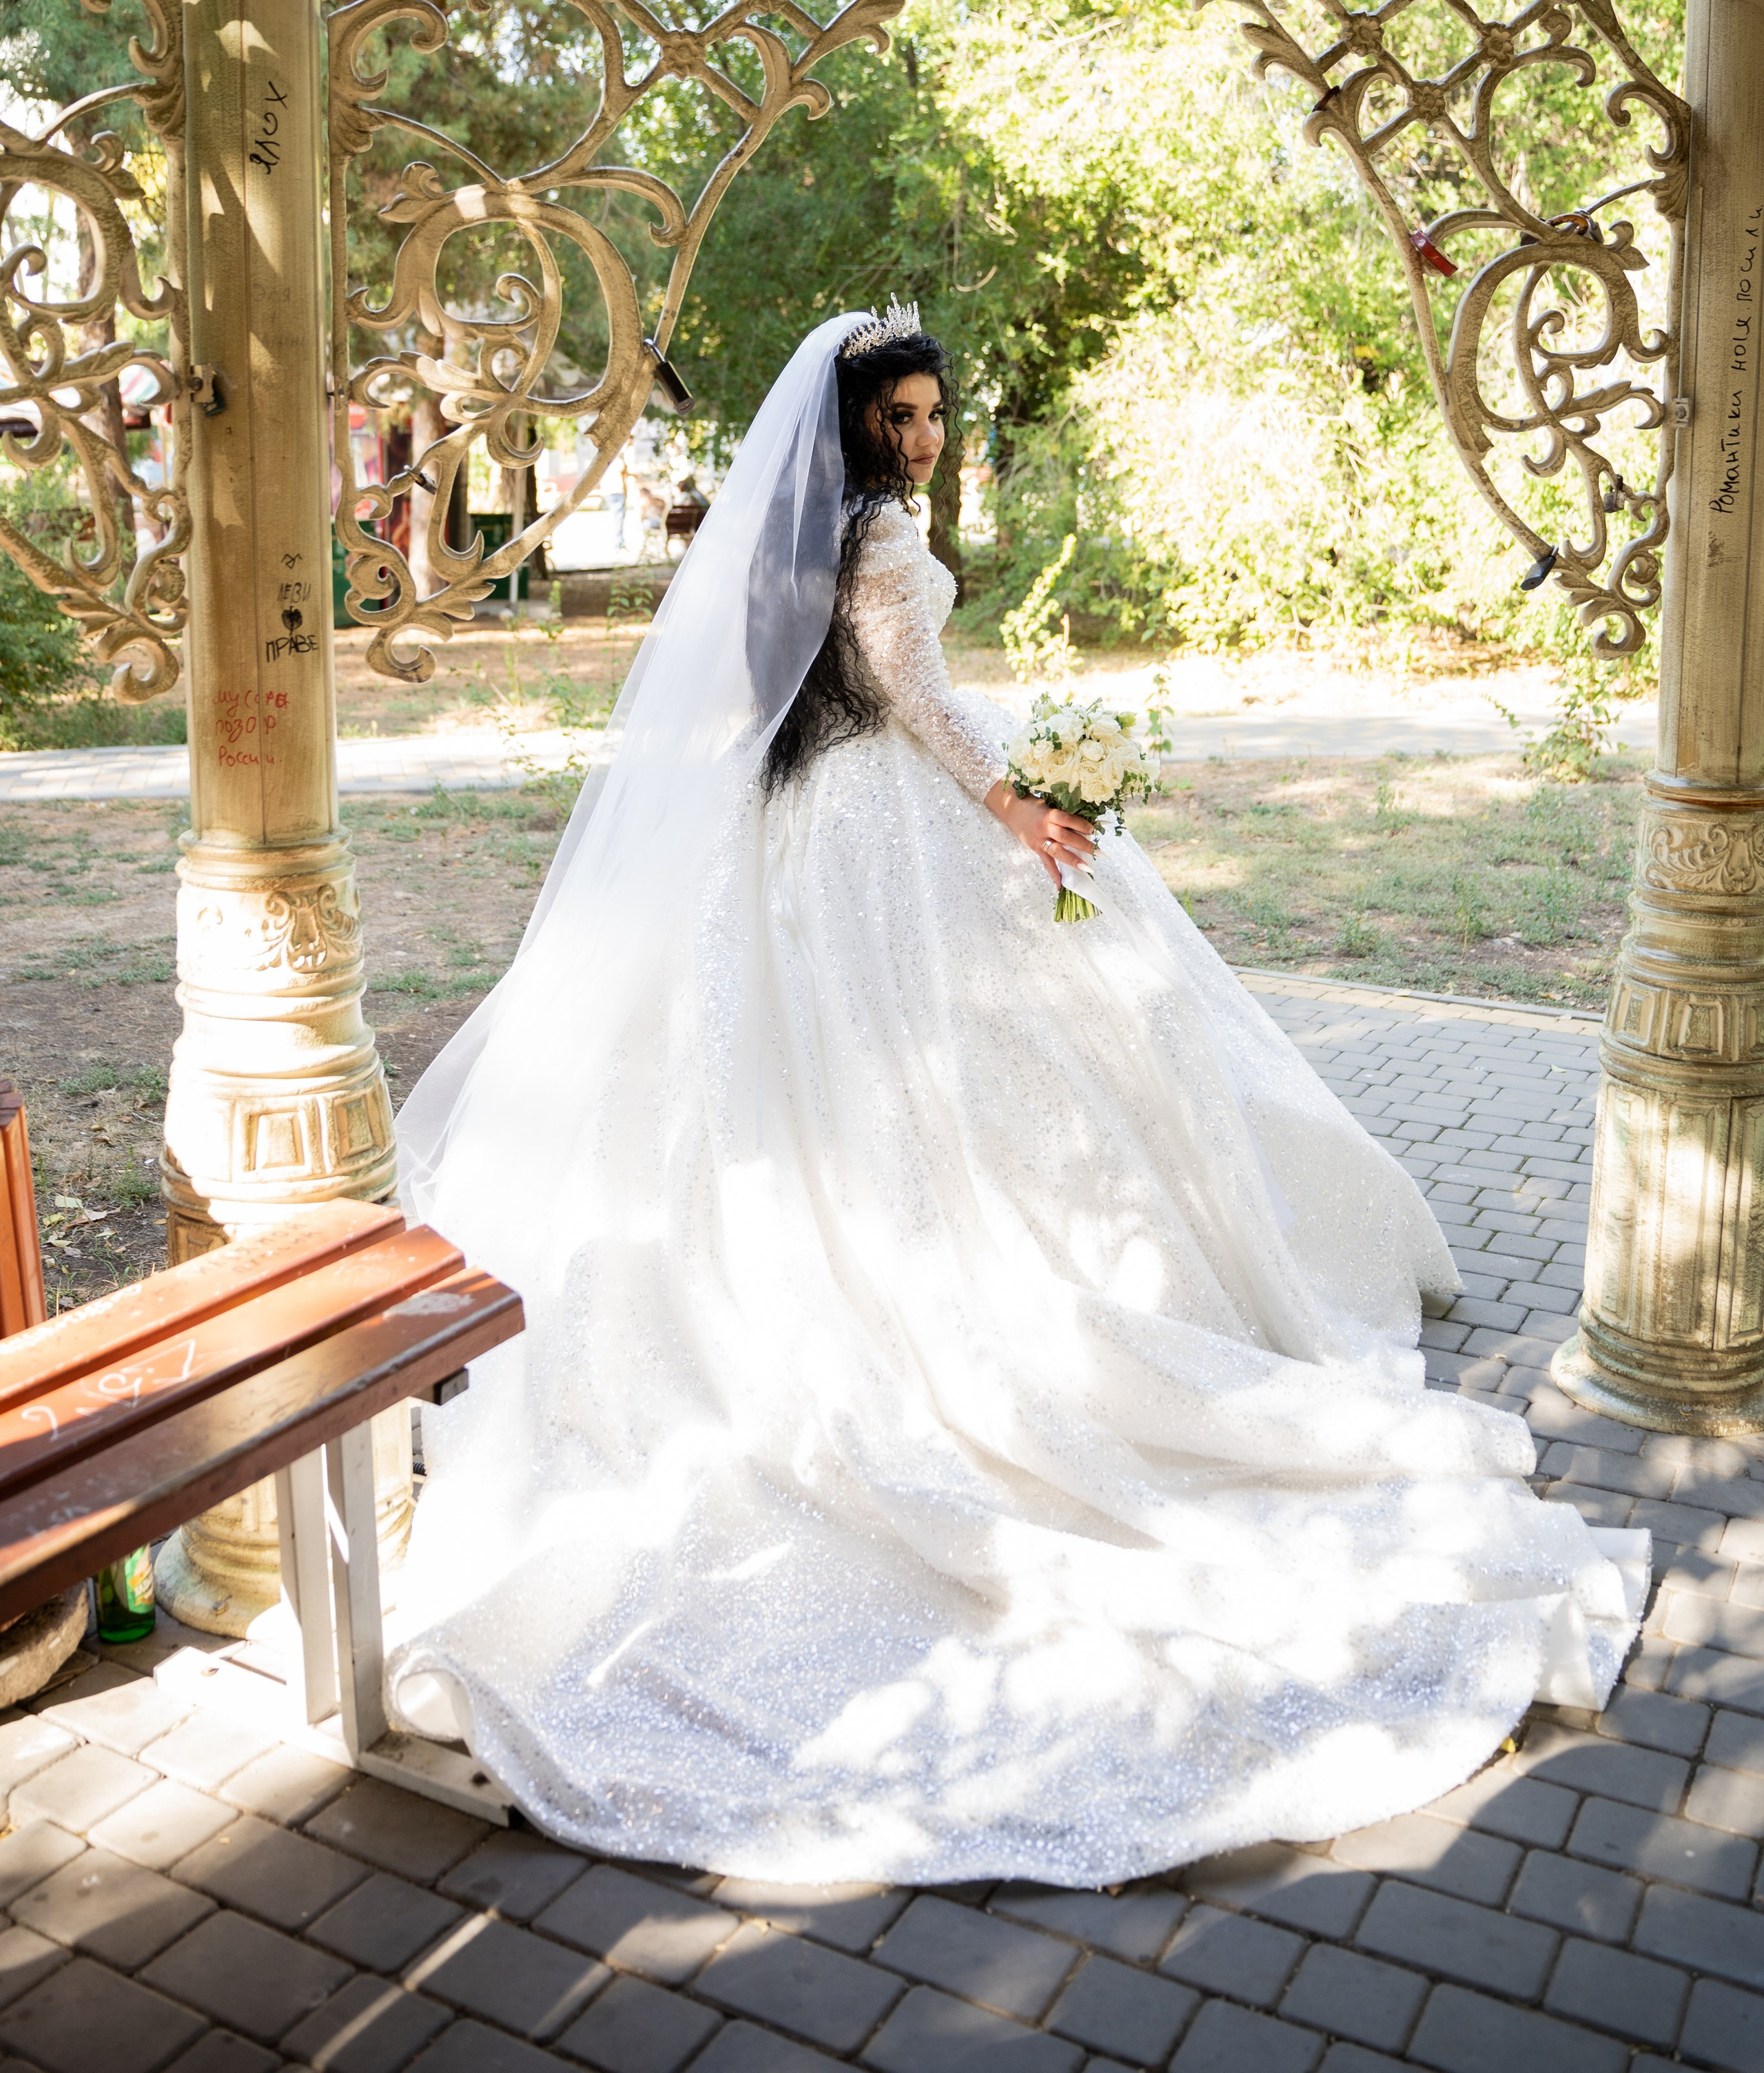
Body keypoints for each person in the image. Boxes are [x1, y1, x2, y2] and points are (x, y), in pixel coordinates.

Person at [389, 304, 1645, 1890]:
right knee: (970, 1081)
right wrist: (1020, 803)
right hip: (884, 831)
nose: (916, 436)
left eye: (928, 415)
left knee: (823, 1093)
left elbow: (814, 693)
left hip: (791, 840)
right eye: (894, 416)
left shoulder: (804, 534)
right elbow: (915, 694)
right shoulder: (880, 537)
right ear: (849, 427)